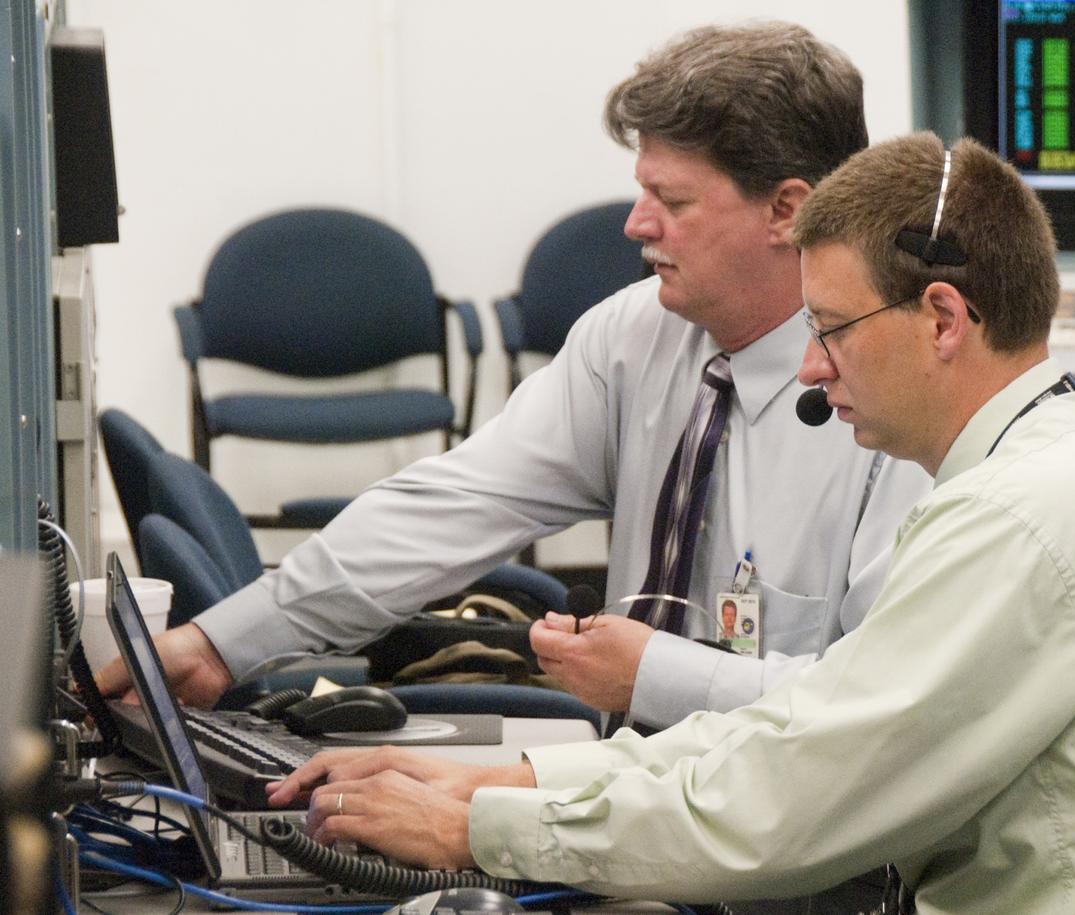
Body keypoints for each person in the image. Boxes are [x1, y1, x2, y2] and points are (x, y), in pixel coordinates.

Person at [269, 133, 1075, 913]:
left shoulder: (1023, 517)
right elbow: (799, 729)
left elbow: (789, 802)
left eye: (830, 330)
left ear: (940, 320)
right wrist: (507, 776)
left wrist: (478, 826)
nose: (807, 367)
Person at [98, 24, 930, 728]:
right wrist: (220, 643)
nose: (637, 225)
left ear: (786, 210)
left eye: (671, 202)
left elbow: (880, 713)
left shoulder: (905, 408)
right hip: (637, 809)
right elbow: (453, 507)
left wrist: (656, 676)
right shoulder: (635, 335)